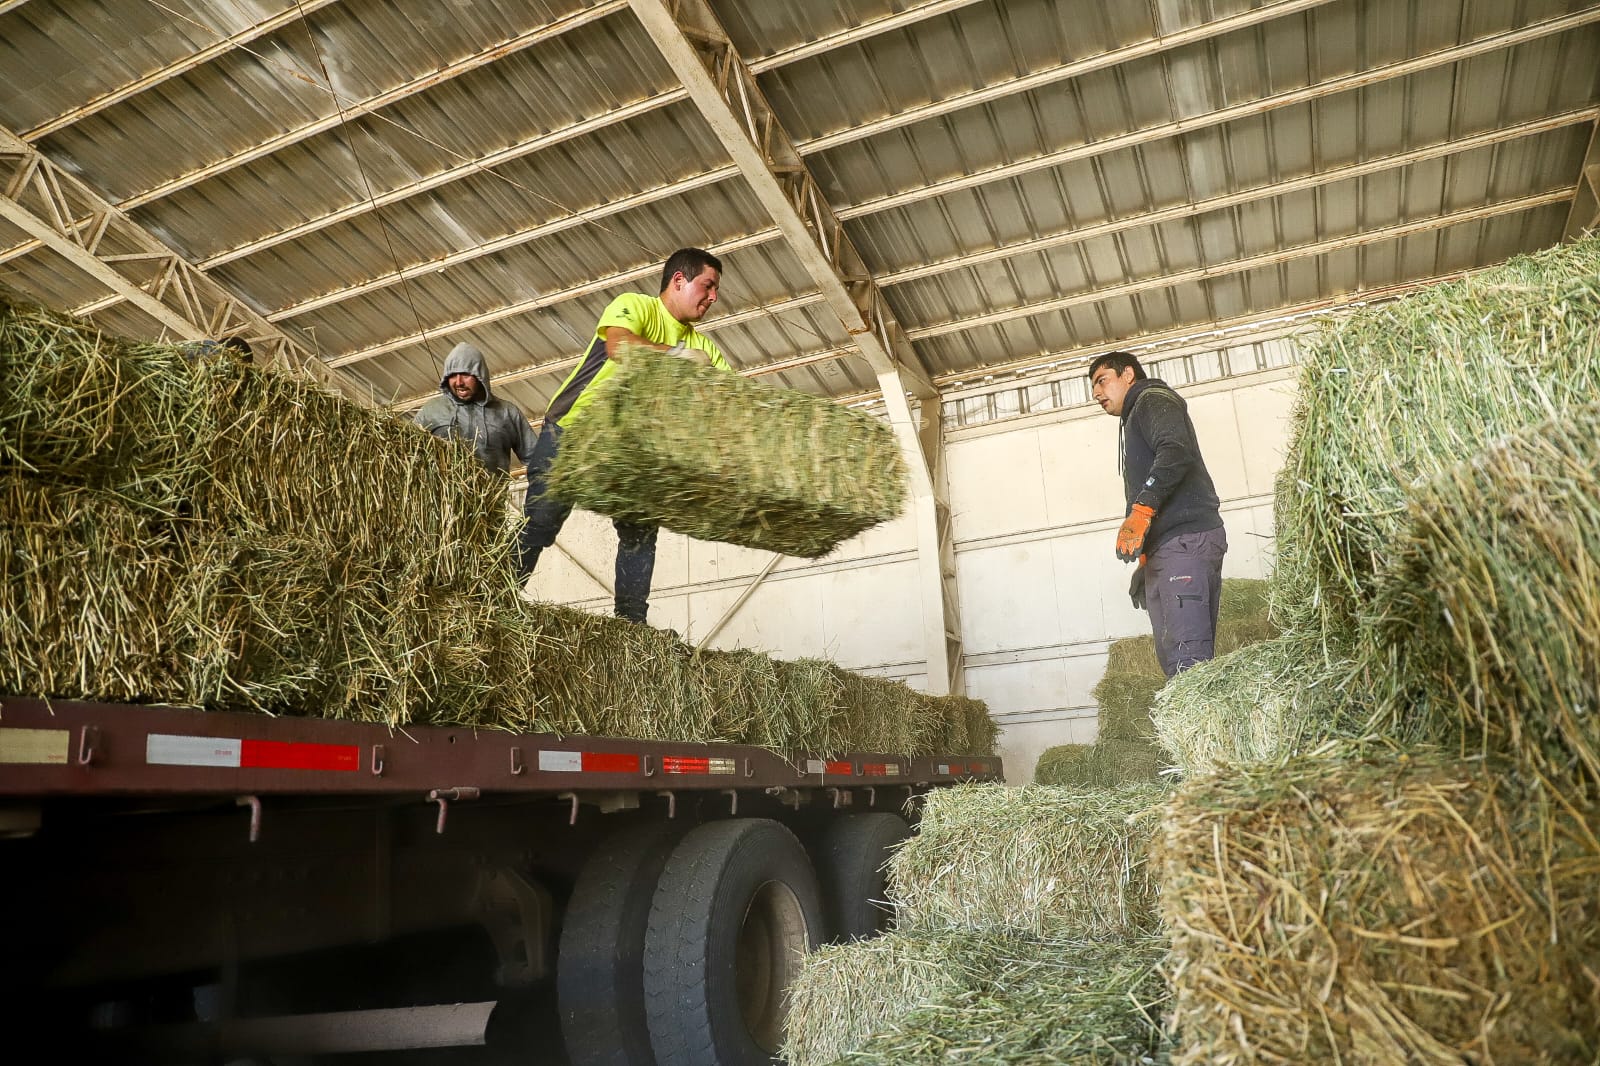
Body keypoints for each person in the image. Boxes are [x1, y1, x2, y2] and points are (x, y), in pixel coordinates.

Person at [519, 247, 732, 624]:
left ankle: (632, 625)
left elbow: (731, 400)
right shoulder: (636, 306)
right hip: (575, 431)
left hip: (631, 453)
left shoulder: (706, 347)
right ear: (679, 280)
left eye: (716, 289)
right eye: (708, 285)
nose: (713, 297)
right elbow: (618, 345)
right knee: (542, 521)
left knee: (640, 532)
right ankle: (493, 592)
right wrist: (678, 356)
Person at [1089, 351, 1227, 678]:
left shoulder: (1152, 399)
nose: (1096, 393)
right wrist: (1145, 560)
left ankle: (1197, 728)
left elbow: (1174, 449)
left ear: (1128, 375)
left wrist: (1141, 510)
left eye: (1101, 380)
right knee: (1176, 661)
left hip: (1185, 541)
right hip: (1168, 547)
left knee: (1189, 662)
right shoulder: (1135, 417)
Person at [414, 339, 540, 483]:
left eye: (465, 374)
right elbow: (407, 454)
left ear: (480, 376)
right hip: (440, 503)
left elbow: (537, 460)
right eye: (453, 375)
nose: (459, 382)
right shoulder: (431, 411)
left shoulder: (506, 413)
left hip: (490, 503)